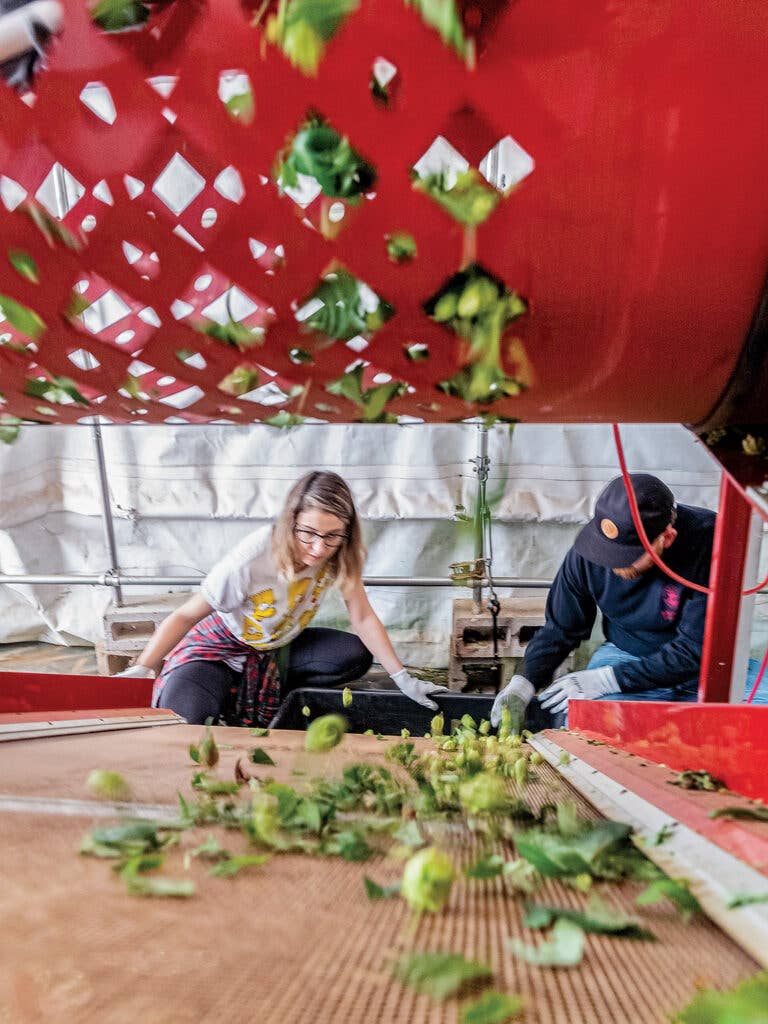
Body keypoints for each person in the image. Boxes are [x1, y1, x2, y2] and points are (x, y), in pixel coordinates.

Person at [119, 471, 448, 726]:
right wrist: (144, 667)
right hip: (222, 649)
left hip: (278, 644)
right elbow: (186, 616)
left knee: (355, 655)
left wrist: (402, 678)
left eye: (332, 536)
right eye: (309, 533)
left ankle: (265, 683)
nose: (319, 549)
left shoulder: (341, 555)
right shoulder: (250, 558)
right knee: (186, 719)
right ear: (291, 522)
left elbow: (362, 616)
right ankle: (230, 684)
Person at [491, 473, 761, 730]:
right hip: (624, 655)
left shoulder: (711, 540)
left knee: (759, 716)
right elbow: (560, 629)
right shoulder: (588, 552)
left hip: (708, 666)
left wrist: (609, 679)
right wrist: (524, 682)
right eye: (607, 551)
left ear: (667, 537)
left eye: (627, 556)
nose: (612, 564)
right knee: (583, 722)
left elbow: (695, 649)